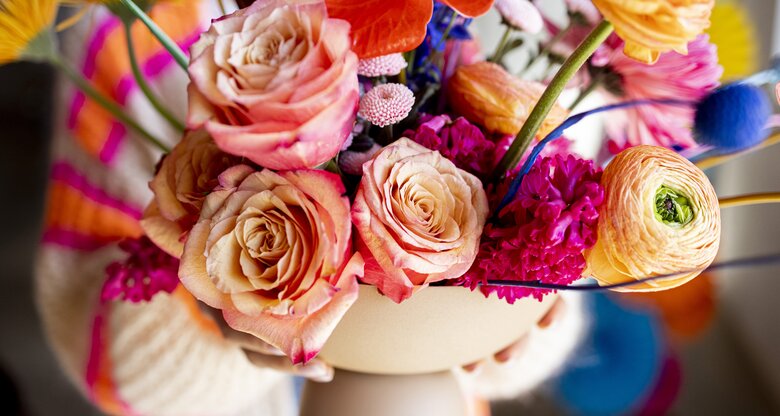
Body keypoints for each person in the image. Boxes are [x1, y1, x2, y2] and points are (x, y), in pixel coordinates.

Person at [35, 1, 586, 414]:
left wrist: (519, 318)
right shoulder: (138, 19)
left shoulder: (527, 21)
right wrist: (222, 296)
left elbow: (580, 231)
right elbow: (100, 347)